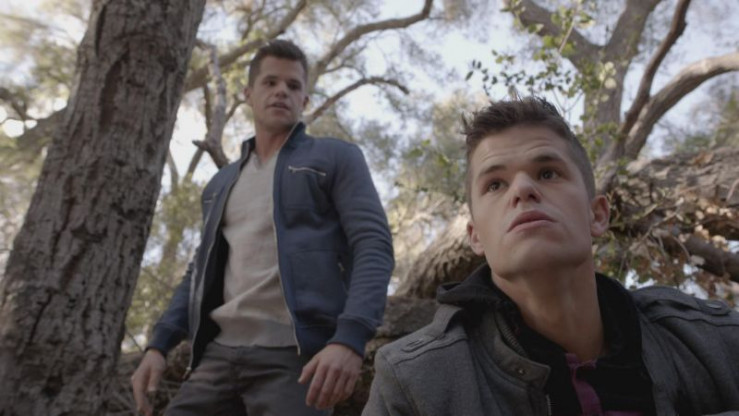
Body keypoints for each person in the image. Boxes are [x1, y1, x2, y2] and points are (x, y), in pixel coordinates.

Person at [362, 96, 739, 416]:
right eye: (495, 184)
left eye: (547, 173)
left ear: (597, 215)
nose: (522, 189)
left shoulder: (717, 341)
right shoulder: (414, 384)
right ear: (476, 237)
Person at [131, 39, 394, 416]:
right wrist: (158, 345)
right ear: (248, 94)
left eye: (293, 85)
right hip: (216, 359)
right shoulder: (221, 183)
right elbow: (199, 271)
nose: (281, 91)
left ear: (304, 101)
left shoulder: (335, 158)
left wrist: (350, 339)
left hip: (298, 361)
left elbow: (372, 245)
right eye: (270, 82)